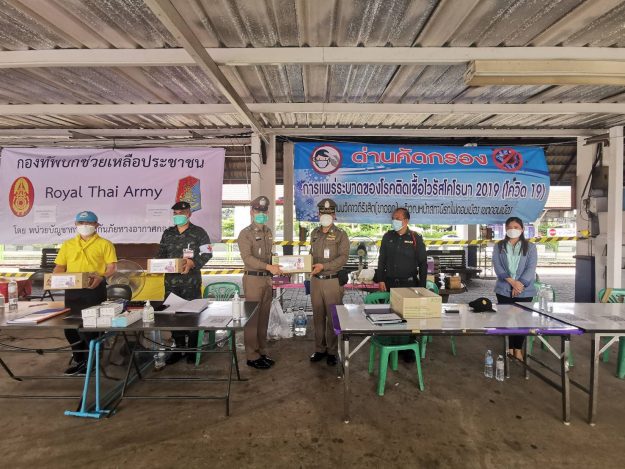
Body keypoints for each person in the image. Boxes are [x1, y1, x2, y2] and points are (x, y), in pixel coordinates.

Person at [53, 211, 117, 375]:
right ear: (75, 225)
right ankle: (79, 360)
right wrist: (55, 278)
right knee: (71, 328)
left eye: (89, 222)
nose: (84, 226)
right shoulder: (68, 244)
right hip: (72, 291)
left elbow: (112, 267)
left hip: (94, 290)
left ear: (97, 225)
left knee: (91, 328)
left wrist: (101, 277)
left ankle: (92, 363)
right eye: (81, 223)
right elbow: (60, 266)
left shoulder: (105, 244)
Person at [157, 200, 212, 364]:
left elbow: (207, 254)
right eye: (175, 214)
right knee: (173, 316)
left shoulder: (199, 232)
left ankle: (192, 350)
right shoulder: (168, 233)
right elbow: (161, 254)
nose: (178, 216)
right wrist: (157, 265)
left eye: (181, 213)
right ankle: (179, 349)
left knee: (193, 315)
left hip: (191, 282)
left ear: (189, 214)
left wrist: (193, 263)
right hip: (171, 283)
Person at [237, 195, 282, 370]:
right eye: (257, 210)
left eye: (264, 211)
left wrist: (279, 265)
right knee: (253, 319)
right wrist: (269, 266)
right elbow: (247, 258)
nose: (261, 213)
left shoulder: (268, 232)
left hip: (266, 279)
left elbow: (270, 256)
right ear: (251, 212)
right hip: (253, 279)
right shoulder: (245, 233)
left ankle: (262, 351)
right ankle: (251, 355)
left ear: (267, 212)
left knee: (264, 317)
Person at [309, 198, 349, 367]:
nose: (326, 215)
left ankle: (332, 351)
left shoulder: (341, 234)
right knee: (318, 316)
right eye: (323, 212)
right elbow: (310, 255)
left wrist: (323, 266)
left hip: (332, 281)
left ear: (334, 214)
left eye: (329, 212)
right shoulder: (314, 233)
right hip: (316, 281)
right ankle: (320, 349)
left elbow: (343, 258)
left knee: (333, 318)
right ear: (318, 214)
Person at [492, 216, 538, 360]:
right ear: (505, 229)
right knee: (507, 319)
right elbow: (498, 267)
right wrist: (513, 282)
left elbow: (531, 268)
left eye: (516, 227)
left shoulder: (530, 247)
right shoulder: (499, 246)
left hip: (525, 290)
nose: (513, 230)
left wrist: (520, 284)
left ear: (522, 229)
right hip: (503, 289)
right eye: (510, 227)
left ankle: (518, 349)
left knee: (522, 320)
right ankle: (510, 347)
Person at [377, 208, 428, 291]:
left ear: (406, 221)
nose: (394, 221)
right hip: (390, 284)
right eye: (393, 219)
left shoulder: (416, 237)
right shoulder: (387, 236)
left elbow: (423, 263)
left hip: (409, 284)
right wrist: (380, 279)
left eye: (397, 219)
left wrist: (422, 286)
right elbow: (381, 260)